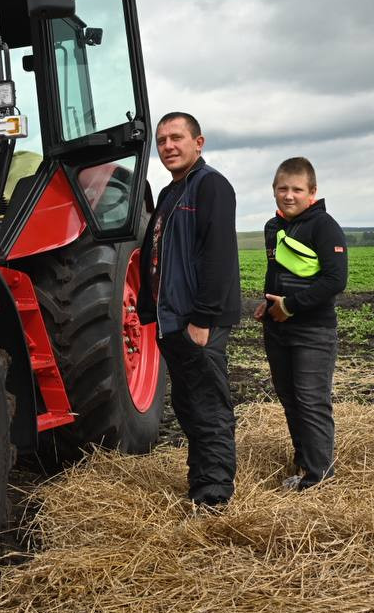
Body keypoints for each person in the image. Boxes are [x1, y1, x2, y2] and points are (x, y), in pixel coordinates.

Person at [137, 112, 242, 510]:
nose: (168, 146)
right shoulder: (170, 193)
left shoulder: (210, 186)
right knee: (188, 405)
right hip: (174, 320)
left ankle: (214, 496)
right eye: (162, 140)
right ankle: (201, 483)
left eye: (176, 138)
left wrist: (203, 318)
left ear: (198, 143)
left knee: (209, 407)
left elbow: (218, 256)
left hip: (198, 321)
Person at [253, 157, 348, 490]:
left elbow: (335, 280)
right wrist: (268, 304)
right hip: (277, 329)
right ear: (274, 190)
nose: (289, 195)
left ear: (312, 192)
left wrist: (290, 306)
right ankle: (304, 463)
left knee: (311, 401)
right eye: (283, 188)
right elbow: (278, 273)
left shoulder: (324, 226)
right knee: (290, 399)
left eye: (296, 189)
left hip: (313, 331)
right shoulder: (272, 227)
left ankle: (318, 476)